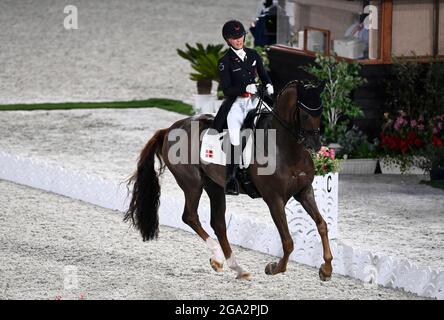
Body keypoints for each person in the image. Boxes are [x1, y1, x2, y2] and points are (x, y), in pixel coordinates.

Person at [213, 19, 274, 195]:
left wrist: (268, 85)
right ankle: (231, 178)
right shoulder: (225, 62)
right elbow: (226, 89)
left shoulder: (254, 55)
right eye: (234, 38)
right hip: (237, 103)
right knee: (235, 134)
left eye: (240, 36)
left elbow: (264, 75)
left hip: (255, 99)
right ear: (228, 40)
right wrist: (244, 88)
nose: (239, 40)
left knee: (274, 118)